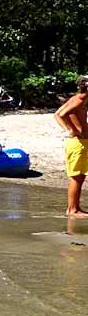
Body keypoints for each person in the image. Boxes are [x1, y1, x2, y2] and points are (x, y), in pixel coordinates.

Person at [54, 76, 88, 218]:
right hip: (78, 143)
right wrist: (70, 130)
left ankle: (75, 208)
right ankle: (72, 210)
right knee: (77, 177)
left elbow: (56, 114)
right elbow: (61, 115)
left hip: (79, 143)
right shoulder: (80, 99)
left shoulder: (77, 98)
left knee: (79, 176)